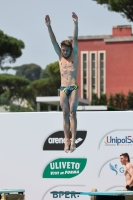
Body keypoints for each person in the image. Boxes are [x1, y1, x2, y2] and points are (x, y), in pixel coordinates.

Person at [45, 12, 78, 153]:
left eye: (66, 50)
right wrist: (48, 26)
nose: (64, 52)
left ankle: (74, 141)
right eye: (63, 50)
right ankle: (66, 140)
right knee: (64, 113)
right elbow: (53, 41)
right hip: (63, 87)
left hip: (73, 87)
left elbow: (75, 38)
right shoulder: (60, 56)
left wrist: (75, 24)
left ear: (70, 49)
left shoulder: (74, 55)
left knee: (73, 112)